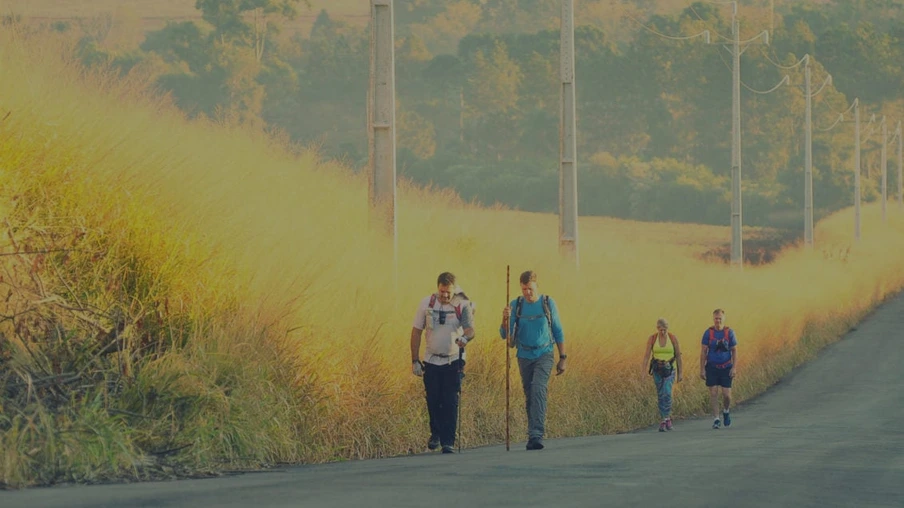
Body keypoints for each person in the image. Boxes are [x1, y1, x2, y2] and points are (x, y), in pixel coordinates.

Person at [499, 270, 566, 451]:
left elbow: (558, 330)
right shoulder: (516, 305)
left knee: (538, 388)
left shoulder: (547, 303)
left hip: (544, 353)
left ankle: (537, 434)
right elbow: (505, 335)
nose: (527, 293)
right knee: (529, 394)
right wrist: (504, 319)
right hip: (524, 355)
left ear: (537, 286)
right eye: (524, 289)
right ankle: (532, 434)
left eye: (530, 289)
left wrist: (563, 357)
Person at [410, 272, 475, 454]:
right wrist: (414, 360)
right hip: (431, 359)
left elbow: (470, 329)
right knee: (433, 399)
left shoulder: (461, 304)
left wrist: (465, 338)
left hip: (453, 360)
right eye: (442, 291)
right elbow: (416, 332)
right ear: (437, 288)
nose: (445, 296)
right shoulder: (427, 303)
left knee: (450, 400)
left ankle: (448, 441)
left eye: (448, 292)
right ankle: (436, 434)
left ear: (454, 290)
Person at [641, 318, 683, 431]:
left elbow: (678, 356)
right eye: (660, 330)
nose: (663, 332)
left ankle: (665, 418)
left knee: (667, 393)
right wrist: (643, 372)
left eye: (664, 330)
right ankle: (665, 419)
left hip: (670, 369)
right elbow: (646, 356)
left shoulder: (673, 338)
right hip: (657, 369)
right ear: (657, 328)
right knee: (660, 394)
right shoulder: (652, 339)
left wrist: (680, 373)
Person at [699, 308, 738, 429]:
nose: (718, 321)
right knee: (714, 392)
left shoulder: (729, 332)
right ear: (713, 319)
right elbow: (703, 351)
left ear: (724, 319)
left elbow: (734, 350)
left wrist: (734, 367)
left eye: (720, 318)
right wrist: (702, 369)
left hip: (726, 367)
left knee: (727, 395)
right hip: (712, 367)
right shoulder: (708, 333)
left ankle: (726, 411)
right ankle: (716, 418)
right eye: (716, 318)